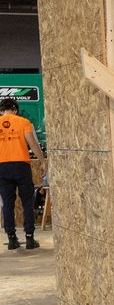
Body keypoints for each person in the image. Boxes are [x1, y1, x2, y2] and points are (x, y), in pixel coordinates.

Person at [0, 98, 46, 250]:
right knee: (27, 201)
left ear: (1, 110)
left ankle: (12, 239)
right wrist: (42, 161)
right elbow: (33, 143)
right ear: (15, 109)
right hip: (21, 165)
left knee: (7, 203)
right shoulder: (23, 122)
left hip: (2, 167)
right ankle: (30, 239)